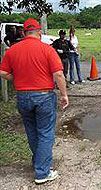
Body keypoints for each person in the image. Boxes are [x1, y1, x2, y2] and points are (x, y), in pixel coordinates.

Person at [0, 19, 69, 183]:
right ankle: (42, 173)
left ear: (24, 33)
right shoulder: (47, 49)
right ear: (39, 32)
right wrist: (64, 95)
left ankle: (38, 162)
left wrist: (16, 79)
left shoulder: (12, 50)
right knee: (45, 133)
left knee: (32, 132)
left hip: (23, 96)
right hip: (44, 96)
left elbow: (2, 72)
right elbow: (58, 74)